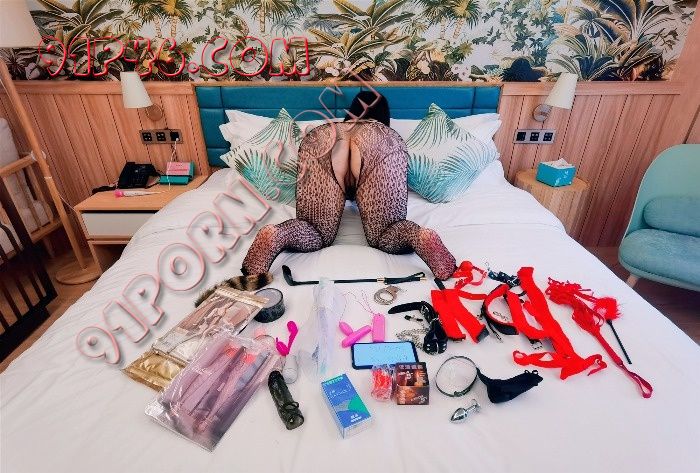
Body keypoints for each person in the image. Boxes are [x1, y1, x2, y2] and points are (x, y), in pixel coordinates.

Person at [242, 91, 456, 280]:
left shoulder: (333, 128)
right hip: (376, 142)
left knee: (313, 230)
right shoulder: (385, 134)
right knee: (387, 233)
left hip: (326, 137)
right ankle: (420, 237)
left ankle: (276, 235)